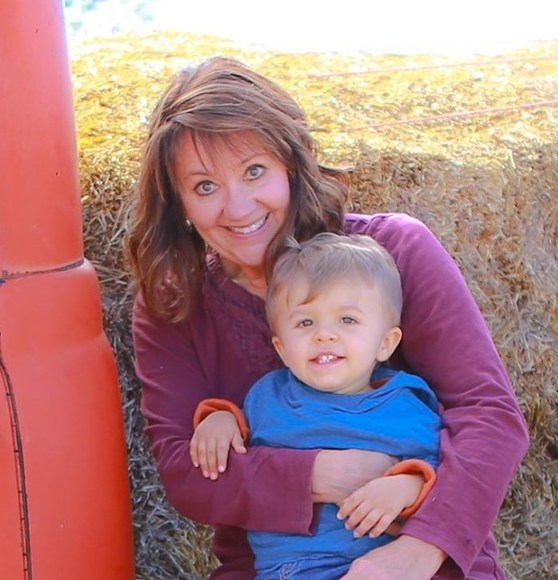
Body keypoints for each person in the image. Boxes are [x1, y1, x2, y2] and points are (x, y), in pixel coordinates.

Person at [127, 55, 529, 579]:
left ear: (292, 165)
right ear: (176, 200)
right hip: (274, 567)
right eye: (205, 186)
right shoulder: (174, 303)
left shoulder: (394, 252)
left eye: (255, 171)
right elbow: (187, 473)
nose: (238, 207)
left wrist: (418, 551)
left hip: (424, 554)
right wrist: (324, 472)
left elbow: (488, 415)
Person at [190, 232, 442, 579]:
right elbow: (240, 439)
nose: (324, 334)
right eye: (305, 322)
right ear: (281, 348)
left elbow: (440, 472)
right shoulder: (269, 396)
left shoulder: (404, 406)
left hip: (376, 566)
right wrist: (220, 419)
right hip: (287, 571)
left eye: (347, 320)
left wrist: (407, 486)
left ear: (385, 343)